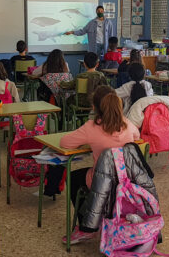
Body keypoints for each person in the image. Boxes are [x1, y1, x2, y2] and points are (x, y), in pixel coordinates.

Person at [60, 85, 140, 243]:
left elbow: (65, 142)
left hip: (102, 184)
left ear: (94, 107)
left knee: (73, 177)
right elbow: (137, 137)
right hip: (128, 182)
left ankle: (87, 226)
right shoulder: (127, 124)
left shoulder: (91, 127)